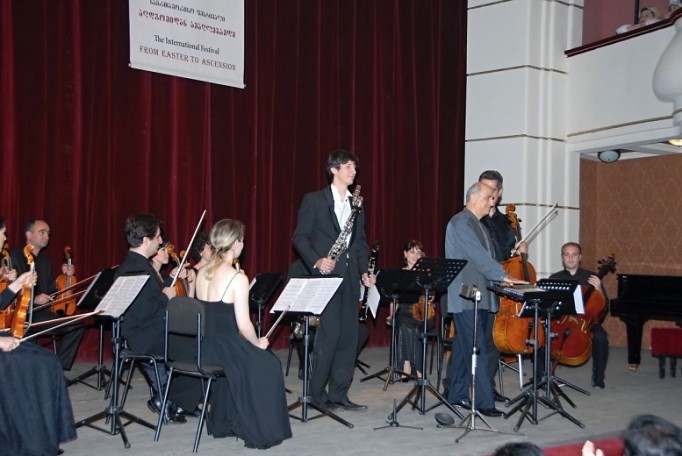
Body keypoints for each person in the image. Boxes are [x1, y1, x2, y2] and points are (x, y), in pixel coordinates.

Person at [289, 149, 375, 410]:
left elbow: (359, 243)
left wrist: (364, 270)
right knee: (329, 337)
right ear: (333, 170)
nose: (353, 171)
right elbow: (300, 238)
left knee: (349, 337)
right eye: (348, 166)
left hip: (350, 279)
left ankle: (339, 393)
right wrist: (316, 260)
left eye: (354, 167)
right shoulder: (315, 200)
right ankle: (317, 394)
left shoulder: (356, 204)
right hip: (325, 278)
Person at [194, 218, 291, 449]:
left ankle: (225, 422)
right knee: (269, 364)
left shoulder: (201, 272)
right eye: (242, 240)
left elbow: (215, 314)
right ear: (236, 243)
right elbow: (244, 325)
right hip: (226, 348)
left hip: (205, 347)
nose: (243, 244)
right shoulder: (237, 278)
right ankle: (262, 429)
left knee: (254, 361)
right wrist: (258, 343)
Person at [445, 182, 527, 417]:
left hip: (480, 295)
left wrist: (507, 265)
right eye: (489, 197)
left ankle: (456, 394)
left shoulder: (478, 224)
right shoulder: (461, 222)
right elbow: (477, 255)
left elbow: (488, 257)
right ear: (473, 198)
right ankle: (484, 402)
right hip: (466, 295)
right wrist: (503, 276)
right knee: (477, 348)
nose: (493, 202)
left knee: (463, 348)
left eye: (494, 197)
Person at [115, 213, 200, 424]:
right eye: (158, 237)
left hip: (152, 330)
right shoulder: (134, 269)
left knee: (201, 342)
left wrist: (171, 281)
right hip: (146, 336)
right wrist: (165, 296)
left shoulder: (140, 264)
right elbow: (143, 310)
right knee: (203, 348)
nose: (161, 241)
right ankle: (172, 399)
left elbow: (152, 297)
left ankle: (175, 400)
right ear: (145, 240)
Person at [478, 170, 529, 403]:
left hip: (500, 288)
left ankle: (486, 387)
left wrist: (519, 252)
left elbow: (508, 255)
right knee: (471, 339)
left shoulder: (505, 222)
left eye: (491, 189)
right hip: (478, 285)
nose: (487, 193)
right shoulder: (472, 218)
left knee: (494, 342)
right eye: (482, 187)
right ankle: (456, 386)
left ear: (499, 193)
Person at [8, 219, 85, 371]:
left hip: (40, 313)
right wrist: (34, 299)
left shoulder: (45, 261)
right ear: (29, 235)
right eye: (42, 232)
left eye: (48, 233)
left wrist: (64, 277)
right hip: (19, 313)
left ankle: (58, 369)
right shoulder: (13, 256)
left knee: (77, 325)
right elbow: (8, 290)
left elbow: (50, 291)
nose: (46, 237)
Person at [549, 242, 609, 389]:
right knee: (542, 335)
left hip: (586, 321)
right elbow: (549, 305)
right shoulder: (555, 278)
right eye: (566, 255)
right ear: (562, 258)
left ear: (580, 257)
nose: (570, 258)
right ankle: (544, 376)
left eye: (574, 254)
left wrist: (599, 288)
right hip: (561, 320)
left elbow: (604, 306)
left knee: (601, 337)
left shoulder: (592, 278)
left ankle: (598, 378)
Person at [385, 240, 436, 380]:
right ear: (405, 254)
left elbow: (432, 296)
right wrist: (391, 315)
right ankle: (413, 367)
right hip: (404, 313)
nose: (415, 255)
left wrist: (430, 295)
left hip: (424, 314)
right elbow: (395, 300)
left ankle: (409, 367)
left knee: (407, 323)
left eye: (418, 252)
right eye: (412, 252)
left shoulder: (427, 274)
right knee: (403, 321)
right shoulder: (399, 274)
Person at [186, 231, 213, 297]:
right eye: (209, 248)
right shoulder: (192, 272)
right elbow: (190, 298)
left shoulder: (213, 269)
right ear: (200, 252)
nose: (212, 250)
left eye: (213, 247)